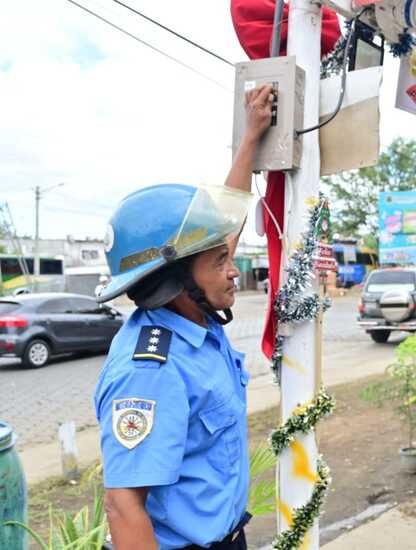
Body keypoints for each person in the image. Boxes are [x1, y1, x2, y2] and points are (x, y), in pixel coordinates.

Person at [93, 83, 274, 550]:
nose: (234, 269)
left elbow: (224, 232)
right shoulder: (151, 371)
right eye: (220, 261)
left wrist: (251, 137)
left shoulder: (197, 315)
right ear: (175, 280)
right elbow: (123, 505)